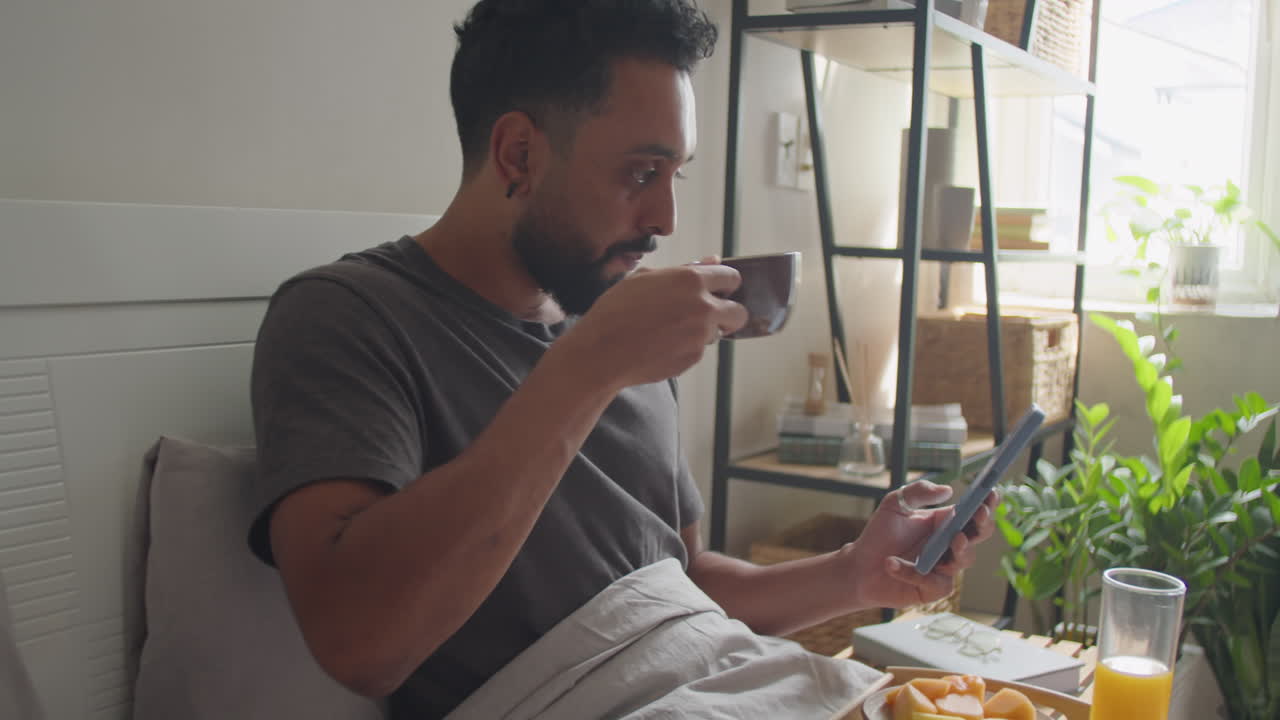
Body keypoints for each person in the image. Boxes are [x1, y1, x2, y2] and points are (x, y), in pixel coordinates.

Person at [247, 1, 998, 718]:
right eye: (641, 172)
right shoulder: (347, 316)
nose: (666, 219)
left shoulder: (618, 321)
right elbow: (358, 643)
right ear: (519, 155)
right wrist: (588, 366)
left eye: (677, 174)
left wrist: (855, 574)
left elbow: (681, 587)